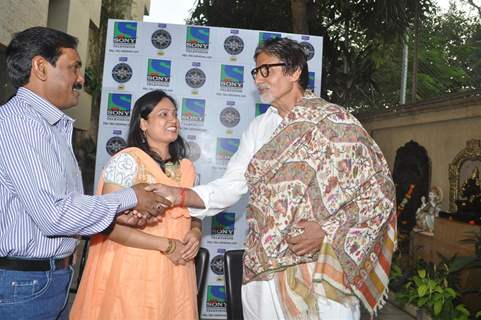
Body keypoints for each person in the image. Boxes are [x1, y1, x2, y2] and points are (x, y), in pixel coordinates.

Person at [149, 38, 397, 319]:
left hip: (322, 276)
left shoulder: (338, 123)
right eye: (256, 72)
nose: (259, 79)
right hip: (263, 271)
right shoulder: (259, 128)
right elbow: (231, 186)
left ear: (294, 72)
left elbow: (379, 194)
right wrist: (177, 196)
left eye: (267, 70)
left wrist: (327, 231)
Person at [0, 27, 169, 320]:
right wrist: (130, 198)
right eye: (74, 67)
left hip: (49, 280)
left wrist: (113, 216)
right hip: (24, 286)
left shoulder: (48, 126)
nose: (81, 78)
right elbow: (53, 214)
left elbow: (62, 206)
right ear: (40, 67)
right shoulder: (21, 124)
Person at [70, 90, 201, 320]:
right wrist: (167, 245)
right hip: (132, 274)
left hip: (175, 273)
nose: (173, 120)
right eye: (163, 114)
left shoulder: (187, 168)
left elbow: (195, 212)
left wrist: (196, 231)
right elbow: (108, 225)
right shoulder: (127, 161)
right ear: (143, 123)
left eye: (174, 114)